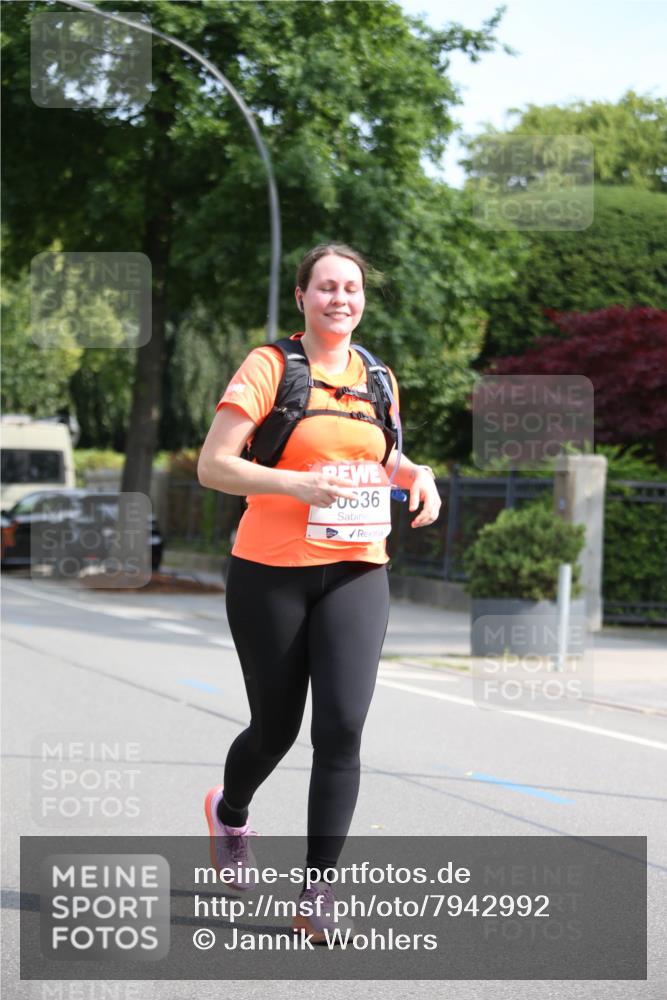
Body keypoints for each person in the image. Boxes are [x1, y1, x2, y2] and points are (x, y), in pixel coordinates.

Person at [198, 243, 441, 942]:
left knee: (340, 729)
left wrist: (414, 473)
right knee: (276, 728)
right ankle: (231, 814)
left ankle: (317, 889)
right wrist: (295, 485)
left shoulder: (379, 377)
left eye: (352, 289)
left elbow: (383, 454)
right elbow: (216, 466)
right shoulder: (270, 366)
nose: (341, 298)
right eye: (327, 287)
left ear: (362, 300)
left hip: (359, 568)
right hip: (270, 571)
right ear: (302, 297)